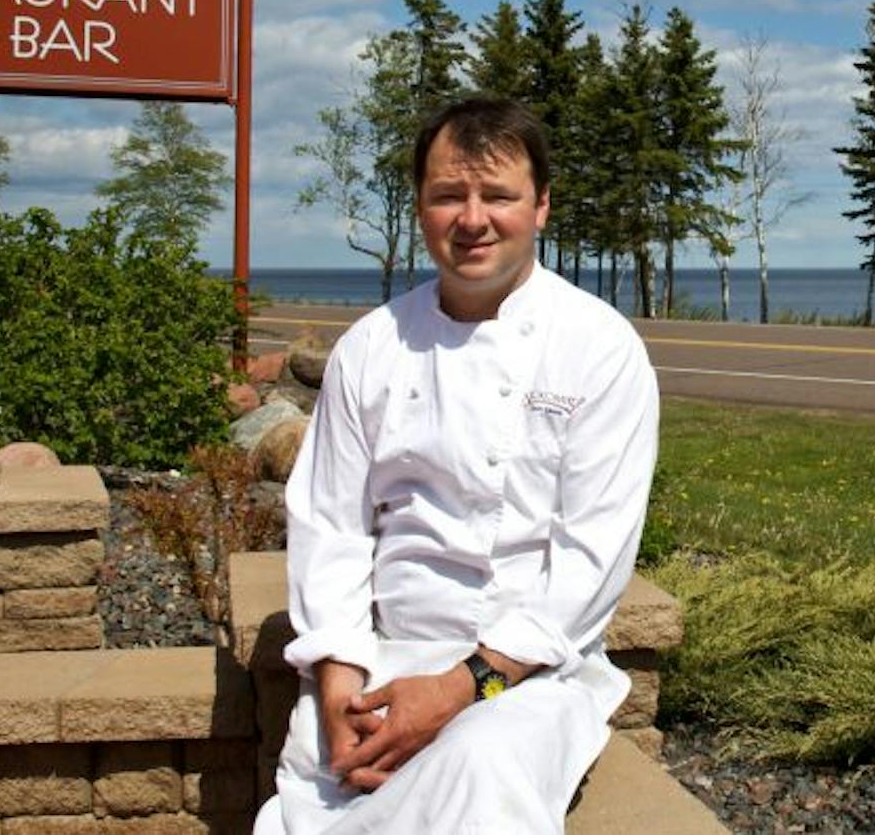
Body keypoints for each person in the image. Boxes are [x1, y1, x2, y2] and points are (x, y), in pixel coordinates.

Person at [257, 98, 660, 834]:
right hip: (381, 655)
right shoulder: (373, 346)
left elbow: (589, 559)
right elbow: (332, 528)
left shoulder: (599, 348)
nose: (472, 218)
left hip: (529, 674)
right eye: (449, 195)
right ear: (421, 207)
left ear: (540, 206)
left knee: (481, 775)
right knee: (322, 798)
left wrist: (460, 686)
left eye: (497, 195)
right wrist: (343, 688)